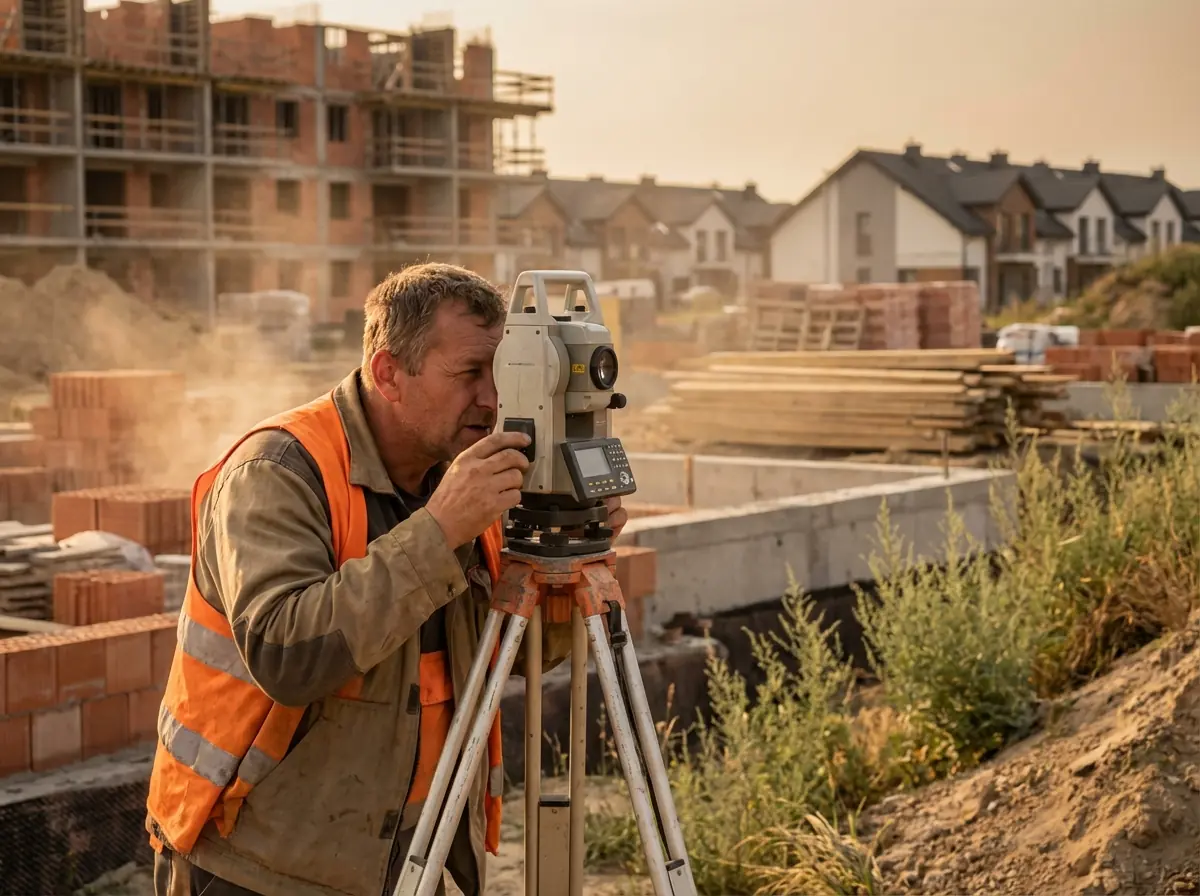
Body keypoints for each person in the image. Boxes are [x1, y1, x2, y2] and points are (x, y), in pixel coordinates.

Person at [145, 263, 627, 896]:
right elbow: (288, 654)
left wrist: (562, 562)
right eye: (467, 375)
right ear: (388, 374)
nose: (493, 398)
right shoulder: (277, 472)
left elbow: (509, 655)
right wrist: (437, 531)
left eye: (501, 370)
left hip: (410, 854)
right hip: (261, 861)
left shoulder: (458, 475)